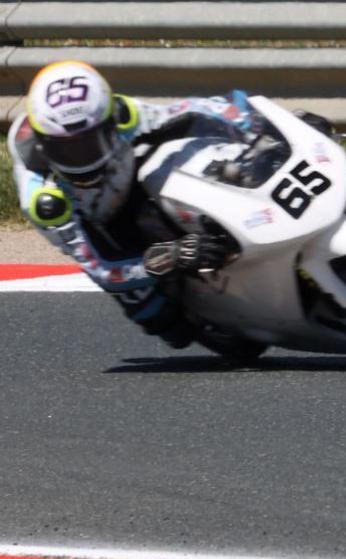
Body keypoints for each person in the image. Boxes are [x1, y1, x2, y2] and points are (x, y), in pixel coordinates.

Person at [7, 60, 262, 347]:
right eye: (64, 149)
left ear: (109, 122)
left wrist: (254, 126)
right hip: (96, 225)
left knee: (196, 148)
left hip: (126, 176)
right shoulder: (44, 200)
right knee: (166, 325)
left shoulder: (123, 114)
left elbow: (193, 111)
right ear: (44, 143)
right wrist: (171, 257)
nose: (80, 159)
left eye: (89, 143)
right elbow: (99, 266)